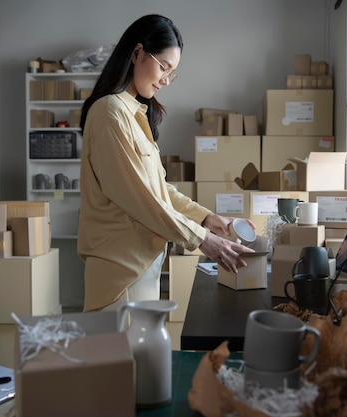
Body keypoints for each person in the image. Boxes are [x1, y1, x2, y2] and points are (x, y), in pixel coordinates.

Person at [78, 14, 255, 312]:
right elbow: (141, 199)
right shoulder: (110, 112)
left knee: (142, 358)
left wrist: (204, 217)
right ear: (137, 53)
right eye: (164, 67)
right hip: (120, 276)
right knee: (126, 358)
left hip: (140, 267)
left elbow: (158, 189)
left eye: (171, 73)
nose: (165, 81)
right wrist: (203, 240)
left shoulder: (134, 113)